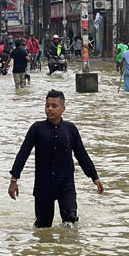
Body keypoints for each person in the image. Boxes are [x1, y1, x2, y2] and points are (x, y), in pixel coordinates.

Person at [8, 89, 105, 228]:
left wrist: (94, 177)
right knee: (43, 227)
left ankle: (65, 249)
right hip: (43, 185)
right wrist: (14, 179)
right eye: (47, 105)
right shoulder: (37, 129)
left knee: (71, 224)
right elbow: (23, 154)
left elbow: (81, 154)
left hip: (66, 185)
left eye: (54, 106)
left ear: (63, 109)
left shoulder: (70, 130)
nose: (49, 109)